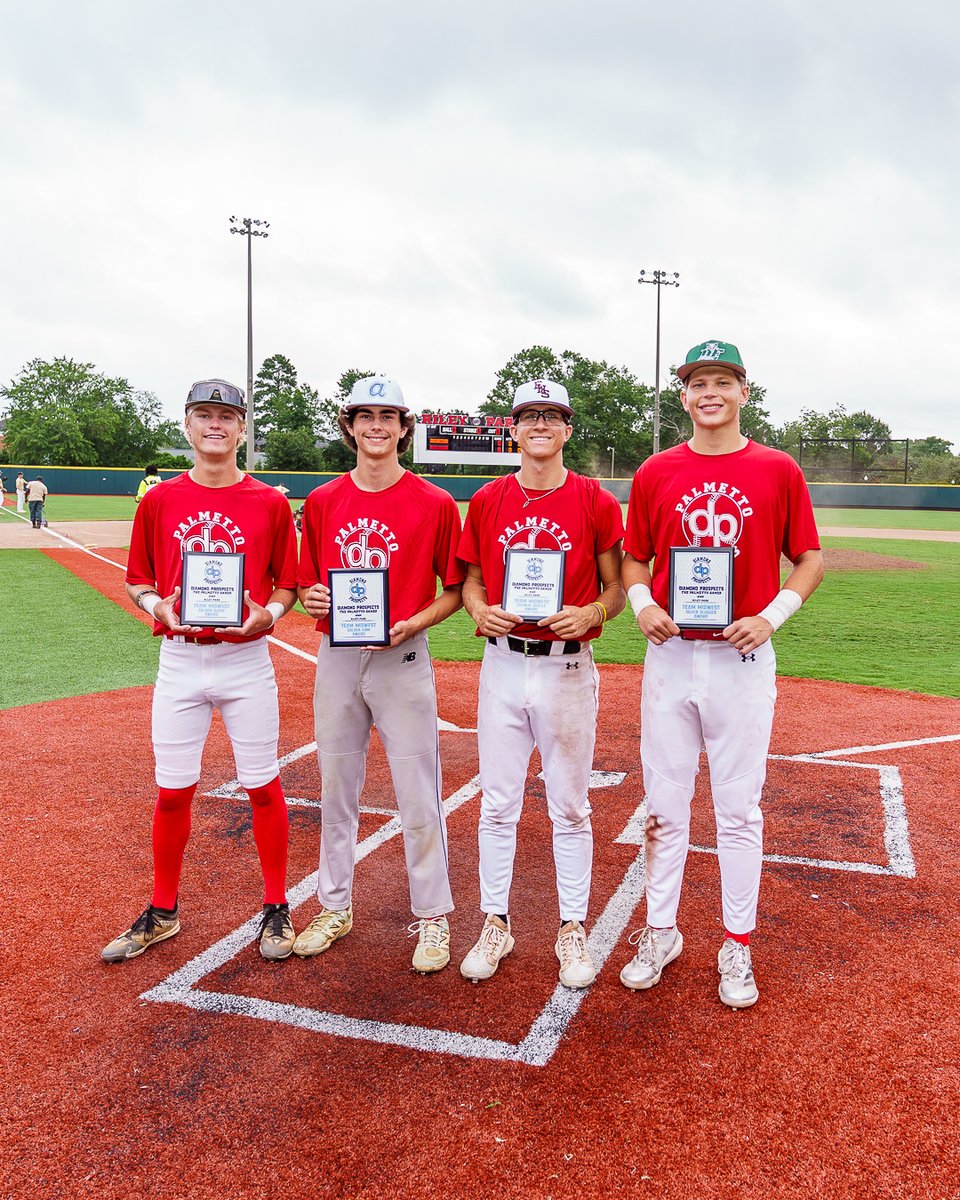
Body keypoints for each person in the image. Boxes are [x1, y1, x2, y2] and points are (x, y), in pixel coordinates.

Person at [619, 339, 823, 1008]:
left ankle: (736, 945)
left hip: (741, 658)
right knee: (666, 806)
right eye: (697, 382)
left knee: (737, 810)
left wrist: (771, 617)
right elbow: (635, 559)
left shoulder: (776, 468)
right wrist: (643, 603)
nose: (709, 392)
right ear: (683, 396)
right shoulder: (655, 470)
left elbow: (810, 559)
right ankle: (660, 932)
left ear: (743, 391)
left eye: (722, 381)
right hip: (673, 657)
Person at [102, 379, 300, 964]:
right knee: (172, 791)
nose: (216, 425)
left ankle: (276, 906)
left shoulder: (268, 502)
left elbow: (287, 584)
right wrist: (155, 606)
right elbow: (137, 580)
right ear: (187, 425)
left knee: (263, 786)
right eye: (203, 415)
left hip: (245, 660)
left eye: (227, 416)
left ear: (242, 429)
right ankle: (164, 911)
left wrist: (270, 614)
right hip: (181, 659)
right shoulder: (159, 499)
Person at [457, 380, 625, 989]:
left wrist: (594, 614)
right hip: (502, 662)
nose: (541, 427)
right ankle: (494, 922)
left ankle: (572, 927)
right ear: (514, 428)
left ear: (567, 430)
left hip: (567, 666)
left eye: (552, 417)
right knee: (497, 801)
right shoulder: (487, 500)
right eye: (529, 417)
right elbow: (471, 581)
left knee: (570, 805)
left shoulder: (595, 500)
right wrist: (477, 609)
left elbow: (616, 589)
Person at [295, 375, 465, 973]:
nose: (375, 425)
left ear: (403, 427)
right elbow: (309, 583)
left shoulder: (435, 502)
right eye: (364, 415)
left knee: (419, 790)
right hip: (338, 656)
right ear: (349, 427)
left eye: (387, 416)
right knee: (336, 789)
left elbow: (455, 592)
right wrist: (315, 599)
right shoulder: (321, 501)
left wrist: (413, 621)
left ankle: (433, 917)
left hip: (403, 655)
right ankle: (333, 905)